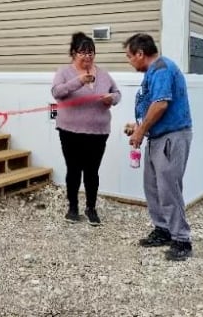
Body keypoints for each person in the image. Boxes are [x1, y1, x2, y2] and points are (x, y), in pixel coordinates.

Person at [124, 33, 194, 261]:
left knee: (168, 188)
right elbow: (151, 109)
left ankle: (182, 240)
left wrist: (141, 130)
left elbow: (161, 104)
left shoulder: (162, 69)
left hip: (171, 138)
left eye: (129, 56)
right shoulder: (152, 73)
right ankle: (162, 229)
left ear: (140, 54)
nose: (129, 61)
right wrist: (137, 126)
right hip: (157, 138)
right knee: (153, 187)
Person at [51, 32, 121, 226]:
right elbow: (57, 93)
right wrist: (79, 81)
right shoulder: (64, 72)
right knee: (73, 169)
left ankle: (91, 208)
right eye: (83, 52)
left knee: (92, 171)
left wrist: (111, 99)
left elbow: (117, 93)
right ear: (74, 53)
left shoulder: (104, 74)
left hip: (98, 132)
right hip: (70, 130)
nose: (87, 56)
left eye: (91, 52)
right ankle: (72, 207)